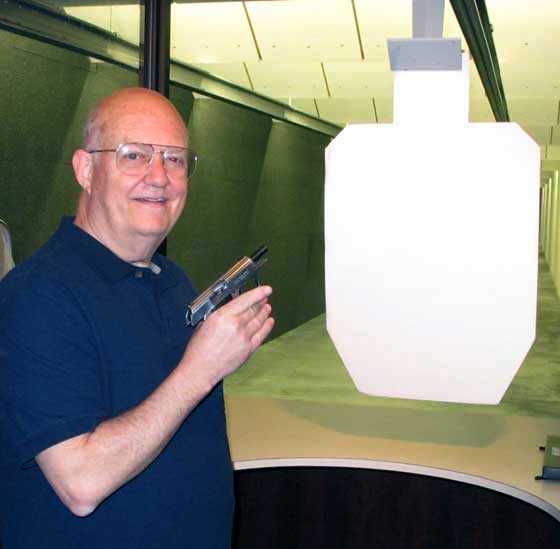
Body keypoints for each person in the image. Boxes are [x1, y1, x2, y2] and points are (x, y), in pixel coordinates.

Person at [0, 87, 274, 548]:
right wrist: (201, 369)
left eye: (175, 159)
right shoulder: (36, 296)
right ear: (86, 170)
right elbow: (81, 483)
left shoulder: (171, 279)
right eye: (134, 156)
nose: (159, 176)